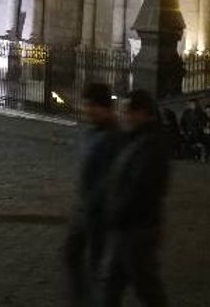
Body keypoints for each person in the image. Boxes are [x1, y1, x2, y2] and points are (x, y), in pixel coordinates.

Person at [95, 89, 170, 306]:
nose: (122, 116)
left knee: (146, 287)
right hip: (127, 227)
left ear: (142, 113)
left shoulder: (152, 145)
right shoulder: (136, 138)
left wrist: (116, 213)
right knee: (112, 284)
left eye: (127, 111)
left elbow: (142, 189)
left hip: (138, 229)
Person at [64, 82, 124, 305]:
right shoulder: (92, 130)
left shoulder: (114, 136)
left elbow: (111, 177)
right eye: (86, 104)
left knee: (97, 262)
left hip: (100, 211)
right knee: (73, 254)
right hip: (86, 207)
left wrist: (94, 201)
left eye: (91, 105)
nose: (86, 110)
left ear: (104, 107)